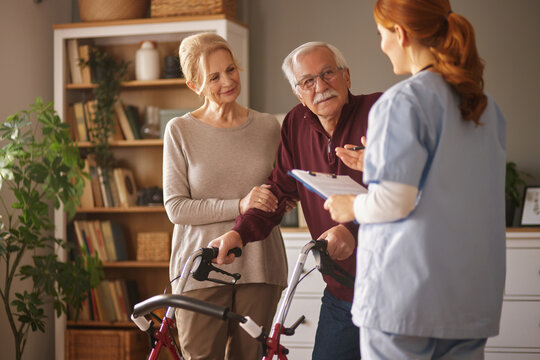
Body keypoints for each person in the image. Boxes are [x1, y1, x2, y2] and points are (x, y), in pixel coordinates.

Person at [323, 1, 506, 359]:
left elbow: (394, 201)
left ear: (400, 34)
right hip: (468, 302)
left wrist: (349, 205)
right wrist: (375, 161)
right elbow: (451, 184)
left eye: (381, 34)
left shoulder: (402, 102)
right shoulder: (485, 106)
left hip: (406, 304)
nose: (381, 45)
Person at [210, 41, 382, 359]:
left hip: (392, 290)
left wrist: (354, 231)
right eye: (308, 81)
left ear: (347, 76)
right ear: (298, 93)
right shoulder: (295, 123)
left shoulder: (380, 112)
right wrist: (239, 232)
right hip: (341, 292)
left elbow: (406, 192)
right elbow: (278, 191)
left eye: (328, 73)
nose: (320, 86)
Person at [163, 32, 288, 360]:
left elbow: (281, 191)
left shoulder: (267, 127)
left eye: (231, 69)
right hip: (200, 267)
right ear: (194, 85)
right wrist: (240, 205)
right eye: (213, 76)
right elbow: (176, 208)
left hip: (260, 265)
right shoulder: (180, 130)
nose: (227, 81)